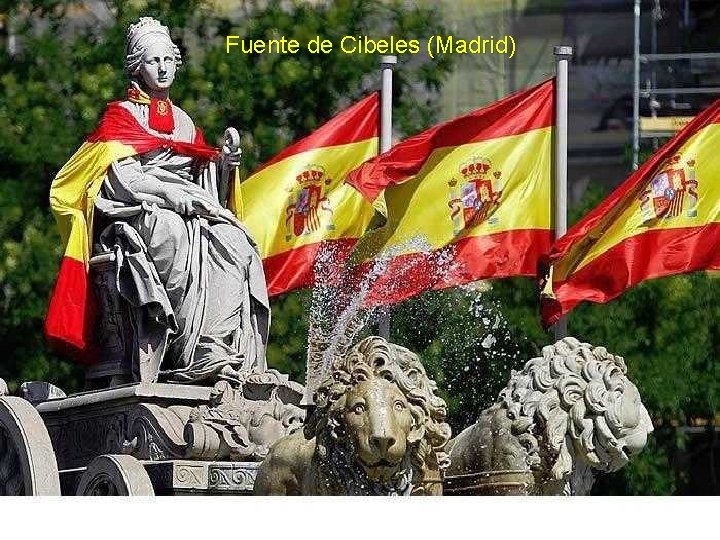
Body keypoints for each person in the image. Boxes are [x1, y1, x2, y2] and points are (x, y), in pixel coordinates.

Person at [47, 17, 270, 385]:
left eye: (168, 60)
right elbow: (121, 178)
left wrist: (224, 166)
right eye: (153, 61)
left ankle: (212, 347)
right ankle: (182, 348)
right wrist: (174, 195)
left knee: (238, 243)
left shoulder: (183, 121)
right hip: (141, 211)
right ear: (138, 66)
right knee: (172, 234)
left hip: (192, 206)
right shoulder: (121, 116)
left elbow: (203, 178)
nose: (162, 68)